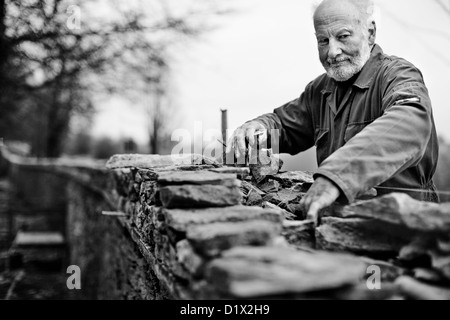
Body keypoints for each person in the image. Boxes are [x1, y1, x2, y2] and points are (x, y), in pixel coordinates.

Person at [227, 0, 439, 225]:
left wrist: (338, 176)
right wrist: (260, 126)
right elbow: (285, 124)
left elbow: (409, 124)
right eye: (323, 41)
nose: (333, 52)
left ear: (370, 33)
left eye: (343, 36)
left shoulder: (398, 75)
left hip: (405, 227)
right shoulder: (319, 90)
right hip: (339, 227)